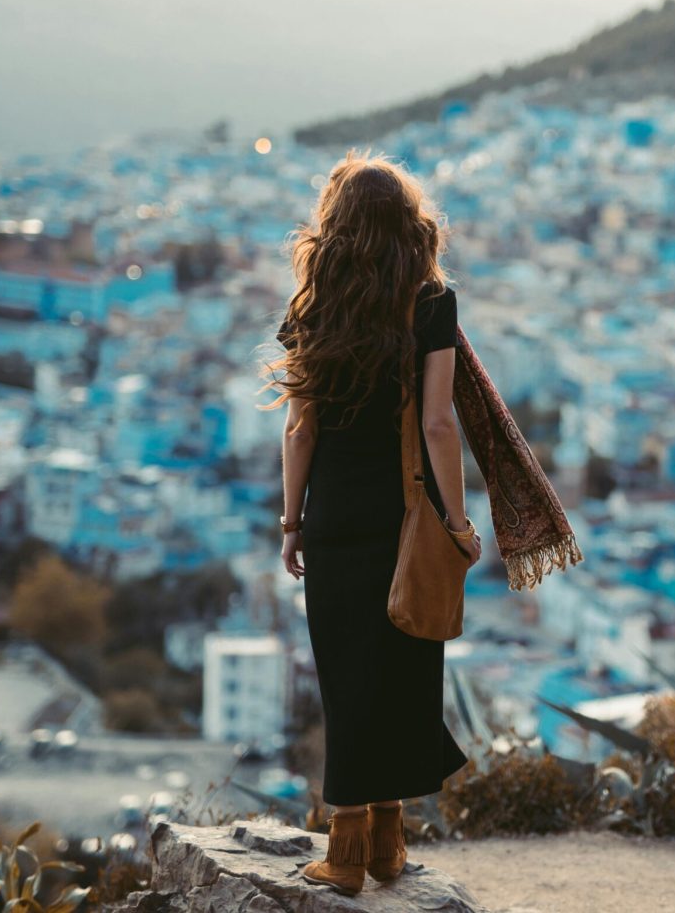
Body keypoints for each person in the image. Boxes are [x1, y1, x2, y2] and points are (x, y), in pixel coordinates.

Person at [258, 148, 482, 897]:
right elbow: (440, 424)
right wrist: (457, 521)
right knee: (404, 672)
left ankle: (350, 848)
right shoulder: (432, 302)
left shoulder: (313, 306)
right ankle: (385, 841)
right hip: (408, 518)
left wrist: (292, 522)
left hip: (335, 518)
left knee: (347, 677)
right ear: (408, 224)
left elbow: (300, 430)